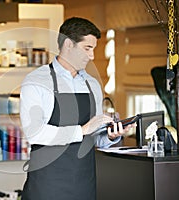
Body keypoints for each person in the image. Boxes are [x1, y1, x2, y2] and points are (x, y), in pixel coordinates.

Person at [20, 17, 135, 200]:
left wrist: (110, 135)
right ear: (68, 45)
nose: (92, 56)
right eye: (87, 48)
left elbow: (94, 138)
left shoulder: (92, 84)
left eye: (93, 49)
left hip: (84, 183)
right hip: (47, 184)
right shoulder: (37, 81)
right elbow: (34, 133)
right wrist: (82, 129)